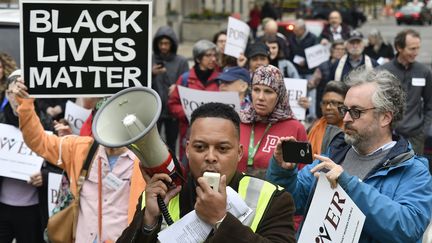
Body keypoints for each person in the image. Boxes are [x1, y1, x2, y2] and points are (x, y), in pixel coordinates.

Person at [266, 67, 432, 242]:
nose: (345, 119)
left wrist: (350, 186)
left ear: (385, 117)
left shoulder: (412, 170)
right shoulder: (336, 153)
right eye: (344, 110)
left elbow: (408, 229)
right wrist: (283, 172)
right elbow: (292, 202)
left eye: (356, 112)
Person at [117, 102, 296, 243]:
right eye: (200, 147)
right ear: (187, 150)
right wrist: (148, 221)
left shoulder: (274, 199)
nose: (210, 157)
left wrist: (221, 220)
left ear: (239, 153)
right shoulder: (161, 196)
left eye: (222, 148)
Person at [12, 78, 146, 242]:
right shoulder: (80, 148)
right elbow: (39, 141)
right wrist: (25, 105)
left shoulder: (144, 159)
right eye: (102, 120)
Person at [239, 65, 307, 179]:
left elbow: (303, 177)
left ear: (279, 96)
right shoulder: (240, 122)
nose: (260, 97)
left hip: (276, 195)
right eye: (256, 90)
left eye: (268, 91)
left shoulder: (295, 128)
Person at [380, 29, 432, 159]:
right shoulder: (383, 71)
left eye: (417, 48)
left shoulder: (424, 71)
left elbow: (430, 104)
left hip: (416, 136)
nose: (416, 53)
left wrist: (424, 130)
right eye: (412, 49)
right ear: (399, 47)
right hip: (388, 135)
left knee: (415, 173)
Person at [168, 39, 220, 162]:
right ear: (198, 59)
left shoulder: (221, 79)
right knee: (188, 167)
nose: (213, 59)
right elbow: (173, 104)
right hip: (189, 133)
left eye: (214, 55)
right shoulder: (185, 79)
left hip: (214, 133)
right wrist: (188, 113)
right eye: (208, 55)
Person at [152, 26, 189, 154]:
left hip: (173, 110)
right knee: (155, 144)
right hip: (155, 110)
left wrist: (177, 87)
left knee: (172, 143)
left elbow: (187, 82)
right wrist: (152, 74)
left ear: (172, 44)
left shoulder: (181, 61)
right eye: (161, 43)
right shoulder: (150, 59)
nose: (163, 46)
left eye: (166, 43)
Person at [309, 40, 346, 117]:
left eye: (342, 49)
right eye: (338, 49)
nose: (340, 51)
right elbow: (312, 83)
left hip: (341, 103)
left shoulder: (347, 66)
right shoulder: (323, 66)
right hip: (325, 103)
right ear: (332, 50)